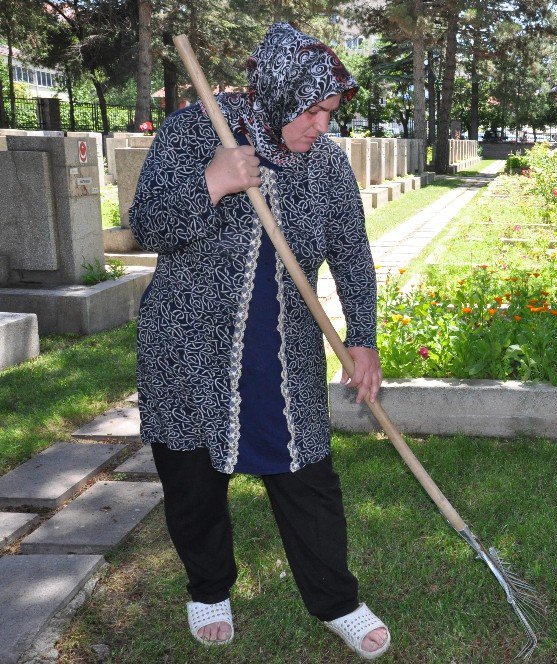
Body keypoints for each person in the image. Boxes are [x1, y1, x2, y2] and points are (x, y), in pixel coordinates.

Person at [130, 23, 389, 659]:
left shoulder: (324, 161)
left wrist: (364, 336)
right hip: (189, 345)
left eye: (330, 113)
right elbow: (147, 225)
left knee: (306, 476)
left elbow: (351, 252)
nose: (321, 127)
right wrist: (213, 182)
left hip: (281, 347)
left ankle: (337, 600)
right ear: (277, 92)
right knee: (192, 477)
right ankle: (209, 587)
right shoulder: (198, 130)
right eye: (313, 111)